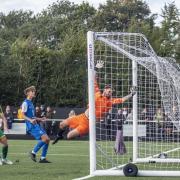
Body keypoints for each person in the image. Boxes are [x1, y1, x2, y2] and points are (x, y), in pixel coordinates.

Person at [52, 77, 136, 144]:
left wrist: (131, 94)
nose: (110, 93)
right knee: (62, 124)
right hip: (82, 116)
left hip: (88, 123)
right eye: (109, 91)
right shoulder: (97, 93)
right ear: (105, 90)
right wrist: (96, 68)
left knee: (69, 136)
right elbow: (94, 80)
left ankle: (75, 130)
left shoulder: (110, 101)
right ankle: (59, 135)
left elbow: (122, 99)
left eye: (111, 92)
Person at [21, 86, 51, 163]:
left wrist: (40, 119)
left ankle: (43, 158)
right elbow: (23, 115)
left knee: (47, 140)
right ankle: (33, 152)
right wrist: (30, 120)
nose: (34, 93)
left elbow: (33, 116)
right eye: (32, 91)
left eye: (34, 91)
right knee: (45, 139)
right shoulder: (25, 103)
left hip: (35, 124)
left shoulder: (31, 103)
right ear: (28, 93)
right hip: (31, 126)